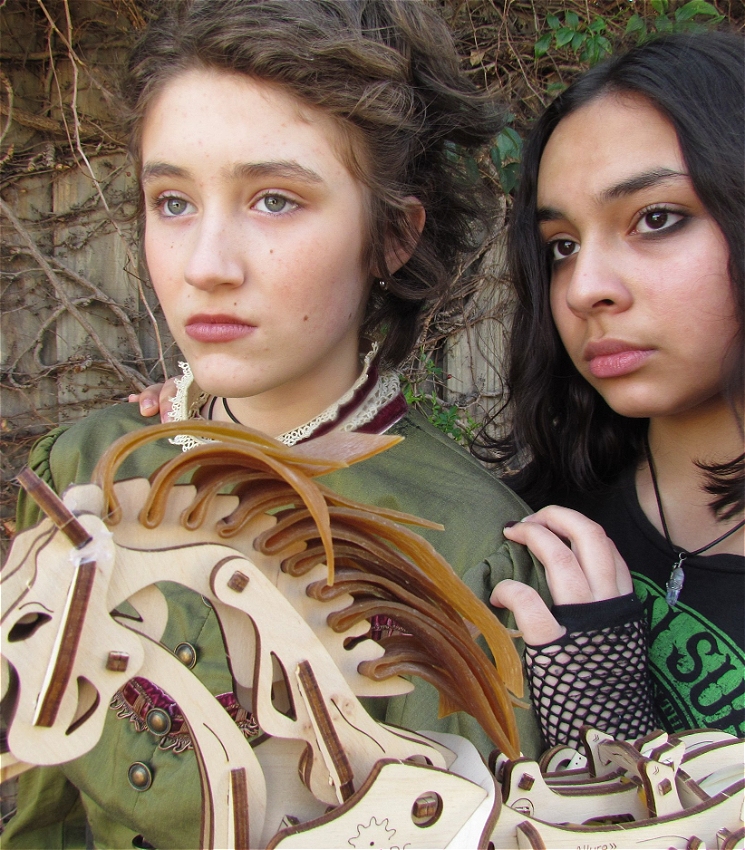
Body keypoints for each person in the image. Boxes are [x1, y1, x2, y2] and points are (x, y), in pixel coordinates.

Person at [3, 2, 551, 847]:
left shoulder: (469, 555)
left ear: (393, 236)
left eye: (273, 200)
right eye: (173, 201)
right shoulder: (83, 464)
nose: (206, 267)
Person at [473, 31, 744, 749]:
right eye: (561, 245)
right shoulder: (528, 523)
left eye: (655, 219)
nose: (585, 288)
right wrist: (197, 425)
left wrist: (613, 746)